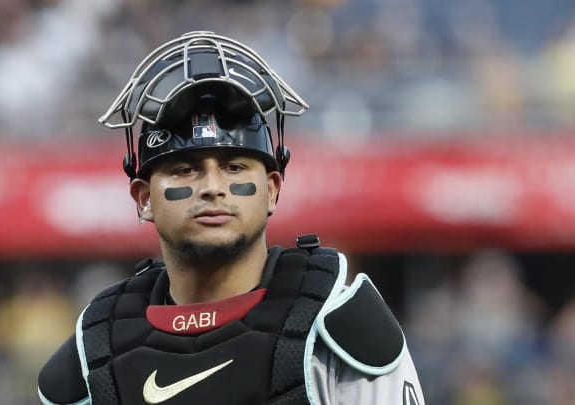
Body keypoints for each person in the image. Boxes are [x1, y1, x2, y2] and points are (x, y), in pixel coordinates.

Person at [38, 31, 425, 405]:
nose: (212, 187)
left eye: (234, 167)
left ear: (273, 189)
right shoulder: (94, 352)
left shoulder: (340, 326)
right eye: (185, 169)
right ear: (143, 198)